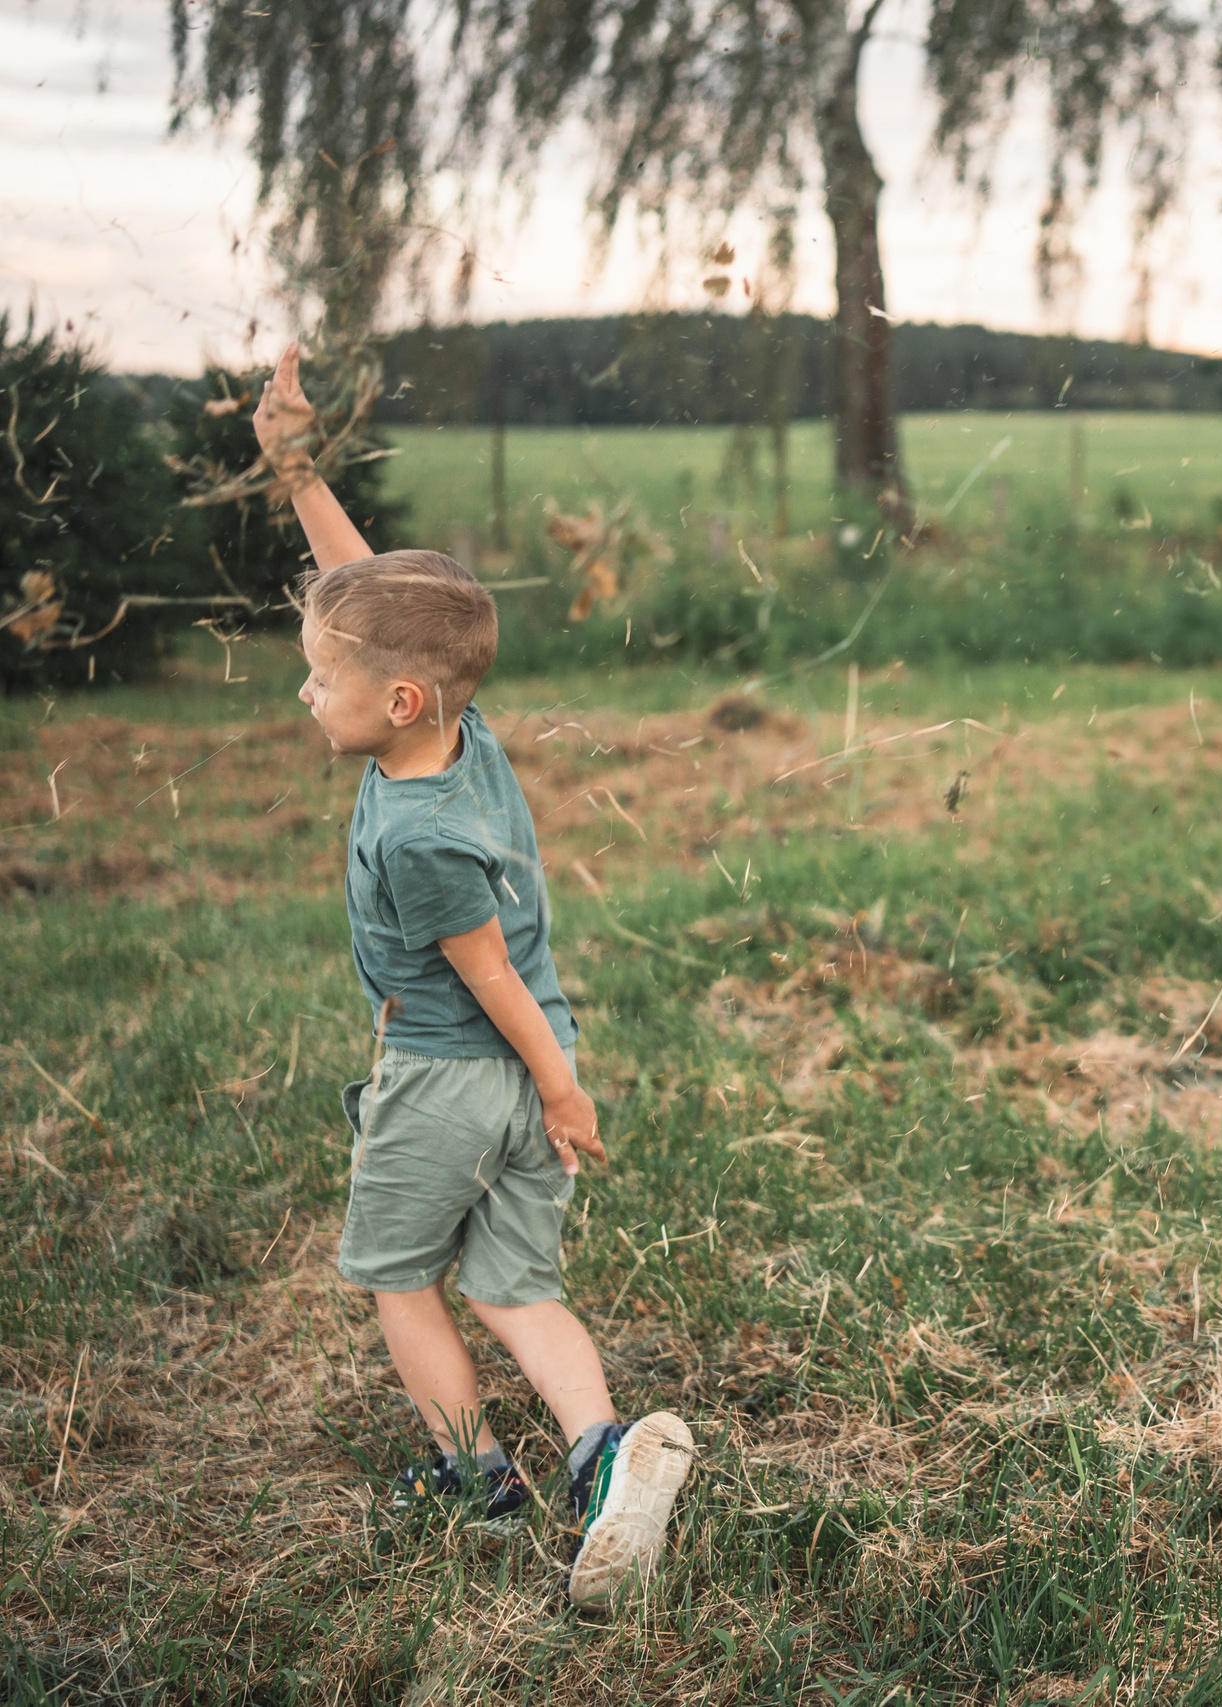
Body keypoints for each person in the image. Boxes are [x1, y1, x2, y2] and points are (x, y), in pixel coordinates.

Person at [255, 345, 692, 1609]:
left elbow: (487, 972)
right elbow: (363, 595)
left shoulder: (411, 829)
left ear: (395, 698)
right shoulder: (463, 733)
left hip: (457, 1072)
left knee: (400, 1278)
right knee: (513, 1283)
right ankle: (605, 1457)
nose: (305, 686)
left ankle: (474, 1474)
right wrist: (298, 470)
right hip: (526, 1065)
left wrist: (561, 1091)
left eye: (321, 678)